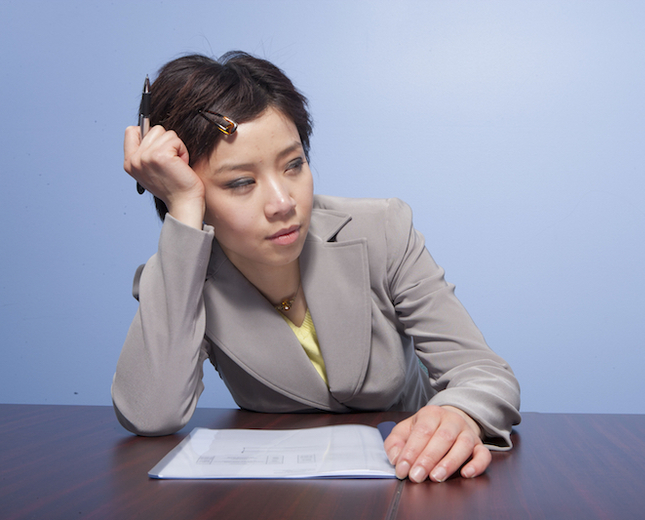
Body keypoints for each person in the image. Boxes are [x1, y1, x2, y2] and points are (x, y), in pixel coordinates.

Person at [113, 51, 521, 483]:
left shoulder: (382, 227)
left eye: (294, 165)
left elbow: (483, 371)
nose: (283, 202)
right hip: (279, 495)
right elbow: (149, 414)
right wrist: (181, 211)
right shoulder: (180, 274)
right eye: (240, 183)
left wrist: (459, 413)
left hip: (416, 476)